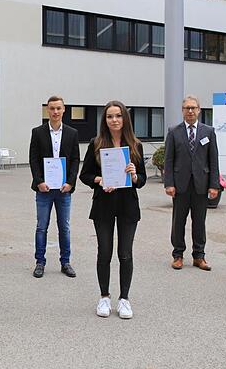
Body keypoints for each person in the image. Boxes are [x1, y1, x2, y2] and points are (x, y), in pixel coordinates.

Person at [79, 100, 146, 319]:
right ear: (104, 120)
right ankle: (104, 297)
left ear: (124, 118)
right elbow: (85, 174)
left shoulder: (135, 145)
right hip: (103, 205)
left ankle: (124, 299)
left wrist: (134, 174)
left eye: (118, 116)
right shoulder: (96, 143)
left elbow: (142, 180)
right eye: (109, 116)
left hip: (127, 206)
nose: (114, 120)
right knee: (104, 252)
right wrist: (99, 179)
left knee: (125, 254)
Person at [163, 95, 220, 271]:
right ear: (182, 111)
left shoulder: (208, 131)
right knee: (178, 222)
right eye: (187, 108)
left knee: (199, 222)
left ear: (199, 110)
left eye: (193, 108)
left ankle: (199, 256)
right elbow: (169, 160)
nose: (190, 111)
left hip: (201, 185)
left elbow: (213, 160)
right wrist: (169, 183)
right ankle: (178, 255)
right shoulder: (174, 131)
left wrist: (214, 185)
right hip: (180, 186)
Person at [28, 95, 81, 278]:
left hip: (64, 190)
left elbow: (75, 160)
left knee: (64, 227)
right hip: (44, 189)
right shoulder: (37, 132)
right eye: (52, 108)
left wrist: (71, 182)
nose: (55, 112)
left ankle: (65, 262)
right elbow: (33, 159)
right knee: (42, 226)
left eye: (58, 108)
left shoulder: (72, 133)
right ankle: (40, 262)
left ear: (64, 110)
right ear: (47, 110)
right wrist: (39, 181)